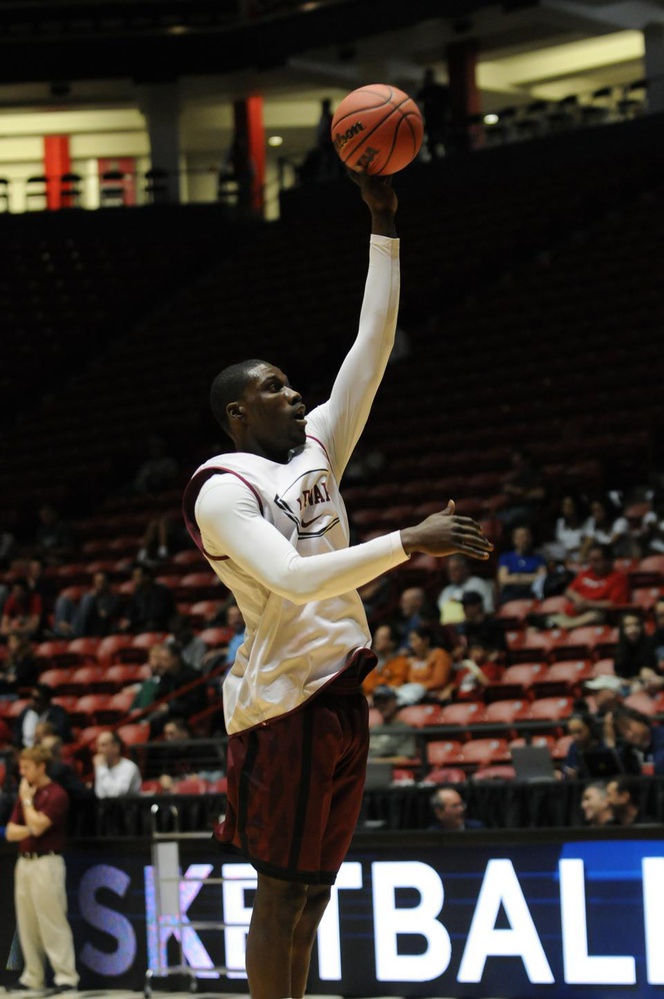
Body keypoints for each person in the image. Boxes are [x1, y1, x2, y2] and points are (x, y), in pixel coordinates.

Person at [181, 173, 492, 999]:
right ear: (239, 414)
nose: (294, 393)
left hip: (341, 692)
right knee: (280, 891)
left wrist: (383, 225)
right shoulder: (222, 487)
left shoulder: (317, 444)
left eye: (290, 383)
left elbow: (372, 345)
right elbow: (289, 577)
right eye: (273, 388)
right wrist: (406, 541)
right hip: (282, 701)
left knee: (314, 895)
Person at [5, 745, 79, 993]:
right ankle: (33, 976)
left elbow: (39, 827)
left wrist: (27, 803)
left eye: (27, 767)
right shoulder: (27, 793)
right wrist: (30, 824)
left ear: (41, 767)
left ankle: (66, 976)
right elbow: (11, 832)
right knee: (27, 922)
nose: (22, 772)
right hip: (24, 862)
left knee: (52, 920)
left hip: (47, 862)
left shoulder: (56, 794)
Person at [546, 543, 630, 631]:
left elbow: (614, 604)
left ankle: (562, 626)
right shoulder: (587, 573)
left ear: (609, 560)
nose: (592, 564)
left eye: (596, 560)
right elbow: (568, 591)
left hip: (595, 614)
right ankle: (560, 625)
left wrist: (588, 604)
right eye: (590, 560)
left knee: (595, 616)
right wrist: (578, 598)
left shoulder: (619, 578)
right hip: (572, 613)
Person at [53, 568, 123, 638]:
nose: (99, 585)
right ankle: (61, 631)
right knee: (63, 600)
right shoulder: (93, 595)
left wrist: (92, 601)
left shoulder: (113, 599)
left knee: (88, 598)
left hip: (95, 627)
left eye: (102, 582)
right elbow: (82, 613)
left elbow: (103, 616)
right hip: (81, 623)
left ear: (108, 583)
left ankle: (74, 631)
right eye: (97, 582)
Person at [436, 553, 495, 625]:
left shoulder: (478, 584)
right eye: (450, 570)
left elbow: (488, 611)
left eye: (455, 569)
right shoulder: (446, 591)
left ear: (465, 569)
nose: (452, 573)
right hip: (449, 629)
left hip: (473, 626)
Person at [119, 563, 176, 633]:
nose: (134, 579)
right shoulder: (138, 593)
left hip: (160, 624)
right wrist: (127, 619)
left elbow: (156, 614)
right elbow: (131, 610)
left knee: (152, 624)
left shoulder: (161, 591)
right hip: (142, 623)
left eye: (137, 576)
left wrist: (134, 621)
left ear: (147, 577)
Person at [497, 524, 547, 604]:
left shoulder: (538, 558)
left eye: (527, 536)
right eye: (520, 537)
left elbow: (542, 578)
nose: (524, 540)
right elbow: (503, 579)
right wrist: (531, 577)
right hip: (510, 596)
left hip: (532, 595)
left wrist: (516, 577)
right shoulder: (505, 557)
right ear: (514, 539)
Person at [367, 685, 418, 762]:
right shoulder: (374, 729)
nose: (382, 705)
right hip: (369, 766)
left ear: (395, 701)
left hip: (389, 768)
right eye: (378, 702)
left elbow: (406, 758)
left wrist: (375, 761)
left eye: (385, 701)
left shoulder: (404, 729)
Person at [613, 611, 661, 691]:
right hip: (625, 686)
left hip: (647, 685)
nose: (633, 629)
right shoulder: (619, 650)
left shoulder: (650, 645)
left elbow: (650, 672)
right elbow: (620, 675)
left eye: (636, 625)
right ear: (622, 629)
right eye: (628, 626)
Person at [15, 684, 73, 749]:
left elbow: (62, 737)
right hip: (25, 751)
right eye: (31, 697)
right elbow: (17, 737)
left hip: (48, 751)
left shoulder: (58, 714)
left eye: (36, 699)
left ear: (46, 701)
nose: (32, 701)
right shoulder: (25, 712)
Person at [362, 622, 410, 698]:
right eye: (376, 637)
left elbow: (396, 683)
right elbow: (367, 685)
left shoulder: (401, 662)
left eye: (382, 638)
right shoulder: (370, 661)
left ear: (392, 642)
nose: (377, 640)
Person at [93, 730, 142, 797]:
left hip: (127, 803)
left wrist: (101, 768)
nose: (99, 750)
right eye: (98, 745)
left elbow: (116, 795)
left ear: (116, 747)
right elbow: (100, 794)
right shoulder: (103, 766)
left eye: (103, 745)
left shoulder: (128, 767)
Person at [415, 67, 450, 160]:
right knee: (433, 141)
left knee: (442, 138)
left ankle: (444, 156)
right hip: (431, 119)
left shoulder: (438, 89)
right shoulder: (427, 90)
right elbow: (418, 98)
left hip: (439, 118)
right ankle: (436, 158)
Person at [0, 631, 40, 696]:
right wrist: (6, 677)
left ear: (21, 643)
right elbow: (3, 672)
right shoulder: (11, 660)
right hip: (6, 689)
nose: (10, 644)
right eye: (9, 641)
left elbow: (21, 678)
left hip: (19, 692)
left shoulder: (28, 660)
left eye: (13, 641)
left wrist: (7, 677)